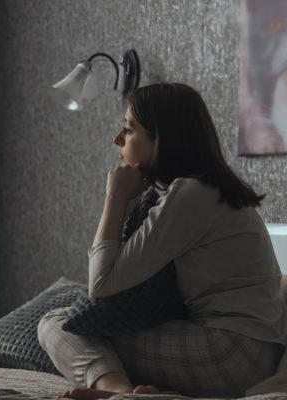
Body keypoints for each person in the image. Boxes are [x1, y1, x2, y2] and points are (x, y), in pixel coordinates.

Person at [38, 83, 287, 399]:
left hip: (231, 354)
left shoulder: (191, 195)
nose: (117, 139)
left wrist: (115, 197)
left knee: (59, 322)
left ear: (161, 141)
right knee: (69, 313)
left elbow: (101, 283)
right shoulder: (200, 191)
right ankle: (132, 390)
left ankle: (117, 391)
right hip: (251, 352)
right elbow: (117, 284)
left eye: (129, 129)